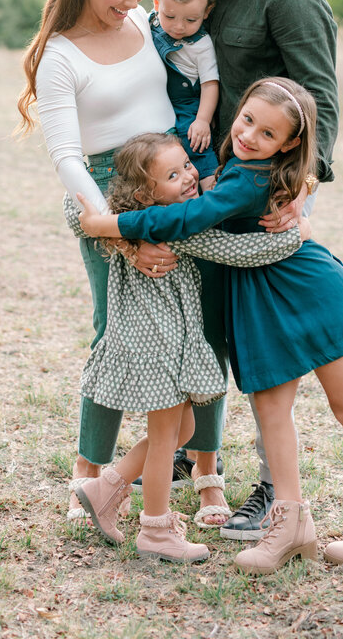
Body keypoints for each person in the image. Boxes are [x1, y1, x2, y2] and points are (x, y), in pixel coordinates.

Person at [78, 78, 343, 575]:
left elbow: (190, 217)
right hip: (288, 288)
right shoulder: (245, 167)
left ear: (290, 144)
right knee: (289, 412)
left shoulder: (247, 179)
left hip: (295, 287)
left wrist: (108, 227)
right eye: (247, 119)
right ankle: (325, 523)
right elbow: (205, 188)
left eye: (267, 133)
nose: (249, 135)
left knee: (339, 409)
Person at [16, 0, 228, 527]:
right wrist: (118, 227)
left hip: (176, 177)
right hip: (111, 190)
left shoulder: (145, 22)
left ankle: (207, 471)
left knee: (204, 327)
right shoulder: (60, 56)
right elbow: (65, 156)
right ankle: (90, 472)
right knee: (114, 332)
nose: (133, 2)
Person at [173, 0, 340, 540]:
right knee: (206, 328)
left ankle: (275, 492)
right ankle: (193, 452)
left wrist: (304, 188)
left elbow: (321, 100)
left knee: (266, 350)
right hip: (215, 187)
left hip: (270, 197)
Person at [69, 132, 307, 562]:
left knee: (181, 432)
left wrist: (102, 225)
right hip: (163, 348)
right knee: (166, 441)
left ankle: (105, 489)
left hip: (150, 346)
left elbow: (79, 211)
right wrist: (296, 233)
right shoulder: (177, 225)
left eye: (186, 165)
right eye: (173, 175)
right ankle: (155, 529)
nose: (189, 176)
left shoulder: (123, 216)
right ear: (145, 193)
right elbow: (240, 251)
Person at [148, 0, 221, 181]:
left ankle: (210, 189)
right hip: (156, 101)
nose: (179, 27)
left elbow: (210, 84)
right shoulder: (148, 24)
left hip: (188, 106)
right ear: (157, 3)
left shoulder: (201, 44)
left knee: (197, 145)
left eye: (191, 20)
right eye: (170, 16)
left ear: (206, 12)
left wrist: (203, 120)